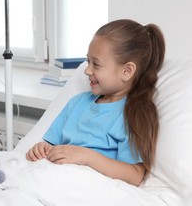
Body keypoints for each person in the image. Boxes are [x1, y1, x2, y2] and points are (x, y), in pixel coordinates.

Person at [26, 19, 165, 186]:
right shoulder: (78, 103)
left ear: (127, 71)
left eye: (96, 64)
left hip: (89, 185)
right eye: (88, 61)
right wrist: (41, 149)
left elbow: (135, 174)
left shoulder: (133, 114)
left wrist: (86, 157)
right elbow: (50, 144)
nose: (87, 70)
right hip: (55, 177)